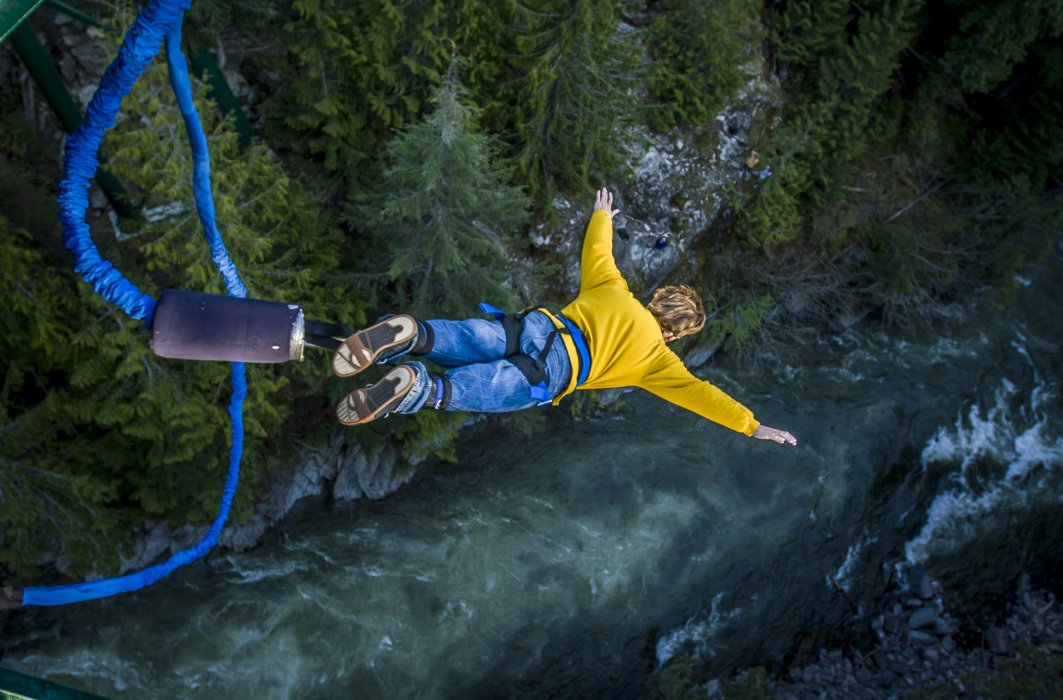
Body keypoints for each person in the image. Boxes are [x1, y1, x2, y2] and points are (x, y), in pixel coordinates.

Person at [331, 187, 797, 446]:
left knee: (474, 337)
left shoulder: (613, 288)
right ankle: (417, 386)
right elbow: (702, 396)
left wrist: (603, 215)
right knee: (472, 390)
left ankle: (414, 334)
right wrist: (753, 425)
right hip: (555, 371)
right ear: (674, 334)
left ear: (656, 299)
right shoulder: (658, 361)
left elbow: (598, 250)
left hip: (538, 326)